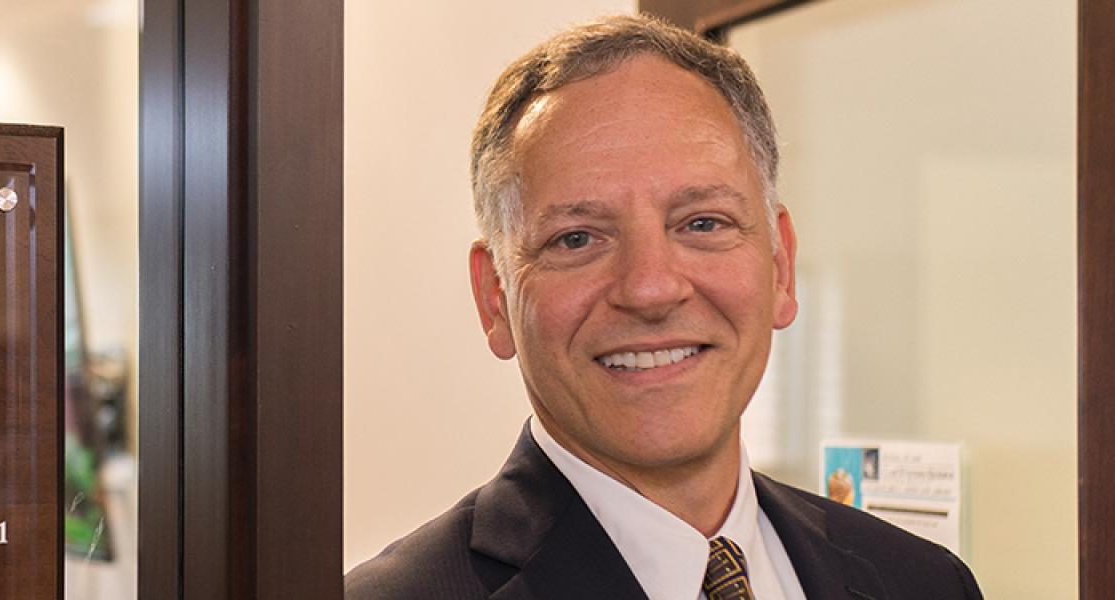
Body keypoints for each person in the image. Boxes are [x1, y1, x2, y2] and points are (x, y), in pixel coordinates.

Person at [345, 14, 982, 600]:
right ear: (495, 298)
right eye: (576, 238)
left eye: (702, 223)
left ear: (781, 268)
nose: (650, 288)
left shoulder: (923, 582)